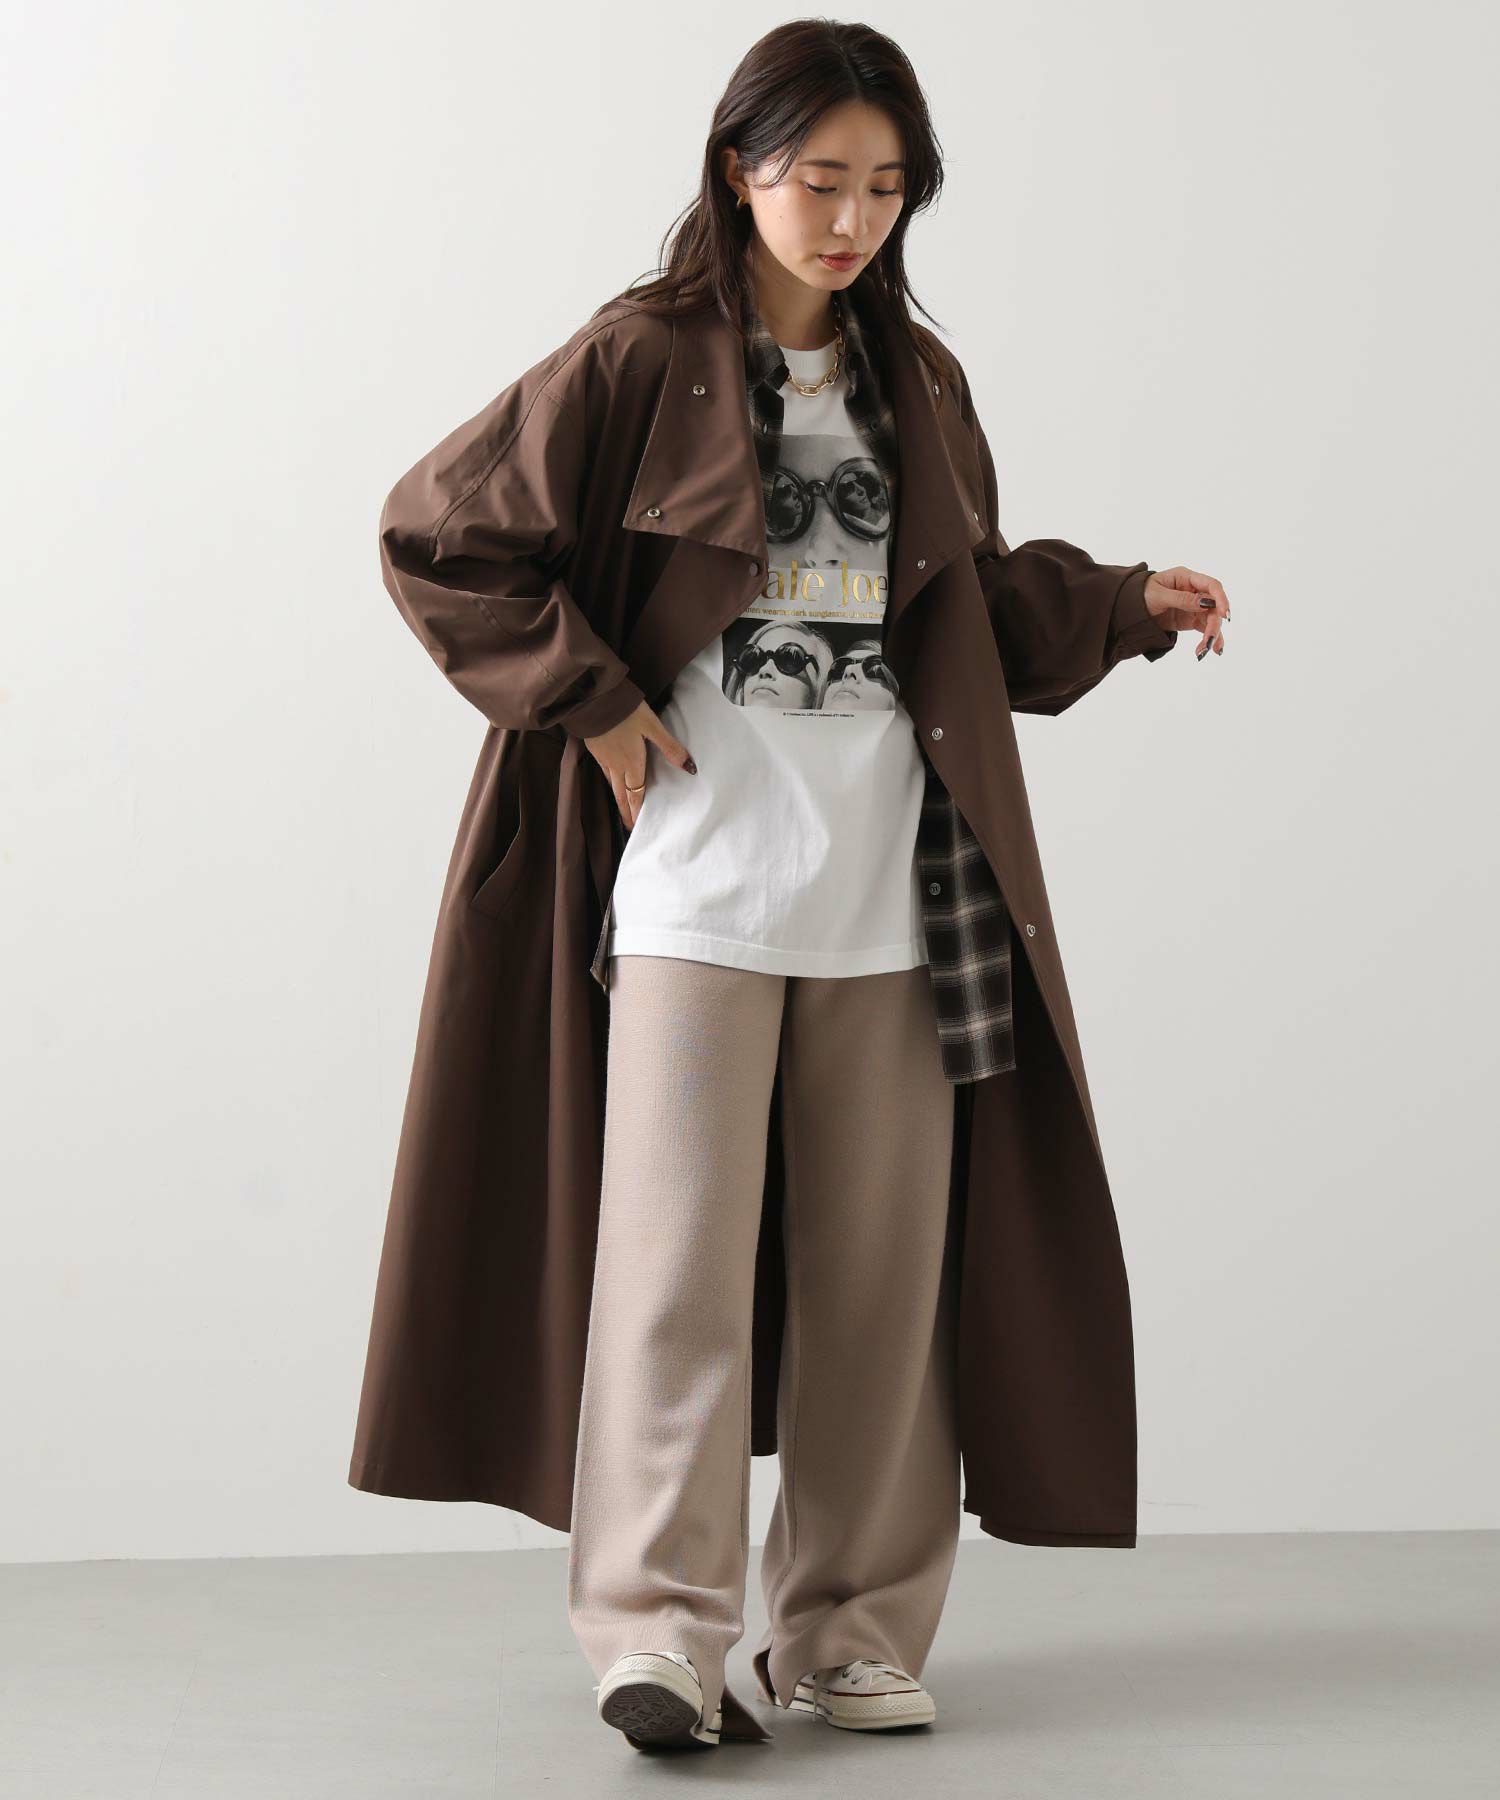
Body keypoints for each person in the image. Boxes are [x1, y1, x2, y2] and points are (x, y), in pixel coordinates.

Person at [351, 17, 1230, 1758]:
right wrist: (594, 702)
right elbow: (439, 532)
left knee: (880, 1301)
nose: (850, 219)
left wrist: (1125, 602)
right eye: (819, 178)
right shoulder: (639, 358)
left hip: (897, 903)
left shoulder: (921, 383)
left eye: (886, 188)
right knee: (670, 1283)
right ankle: (659, 1636)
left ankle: (845, 1633)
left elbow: (968, 614)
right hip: (694, 893)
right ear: (739, 170)